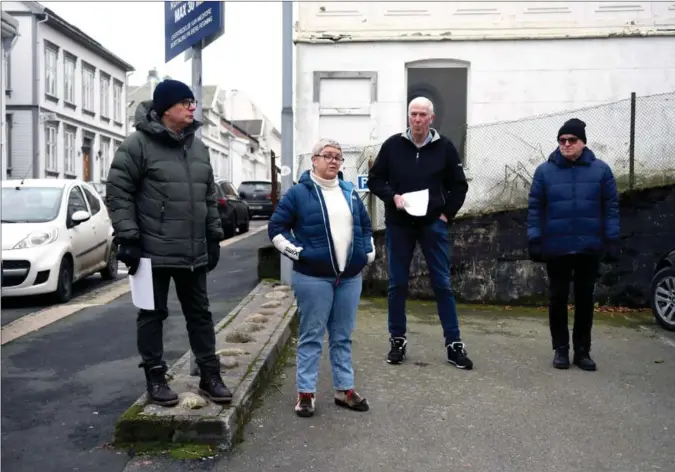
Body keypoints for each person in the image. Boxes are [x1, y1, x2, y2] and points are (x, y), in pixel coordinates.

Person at [106, 79, 232, 406]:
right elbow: (119, 192)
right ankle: (156, 378)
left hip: (192, 251)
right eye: (185, 102)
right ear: (165, 109)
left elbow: (208, 195)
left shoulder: (198, 147)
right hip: (150, 252)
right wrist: (128, 237)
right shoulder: (137, 145)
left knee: (200, 314)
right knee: (151, 314)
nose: (192, 107)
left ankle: (209, 374)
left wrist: (214, 235)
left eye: (193, 102)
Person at [268, 138, 375, 418]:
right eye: (327, 155)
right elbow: (277, 228)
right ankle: (306, 393)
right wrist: (297, 253)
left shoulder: (350, 193)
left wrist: (367, 252)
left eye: (338, 157)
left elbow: (364, 225)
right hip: (313, 278)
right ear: (313, 159)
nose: (333, 161)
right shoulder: (298, 194)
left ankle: (344, 389)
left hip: (349, 277)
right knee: (311, 336)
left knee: (342, 336)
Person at [367, 96, 472, 369]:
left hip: (431, 225)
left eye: (422, 114)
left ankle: (454, 344)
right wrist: (393, 198)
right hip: (400, 224)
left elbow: (459, 186)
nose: (417, 119)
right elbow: (375, 179)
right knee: (397, 284)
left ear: (431, 118)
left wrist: (446, 214)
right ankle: (397, 340)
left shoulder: (445, 148)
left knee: (442, 284)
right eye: (413, 114)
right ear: (408, 117)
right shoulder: (392, 146)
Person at [527, 118, 620, 371]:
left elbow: (610, 208)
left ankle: (582, 351)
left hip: (589, 247)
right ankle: (560, 349)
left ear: (583, 143)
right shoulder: (544, 172)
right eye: (562, 140)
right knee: (557, 298)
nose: (566, 144)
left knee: (584, 300)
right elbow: (535, 208)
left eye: (572, 140)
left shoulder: (601, 171)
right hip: (556, 247)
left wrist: (612, 240)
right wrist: (534, 239)